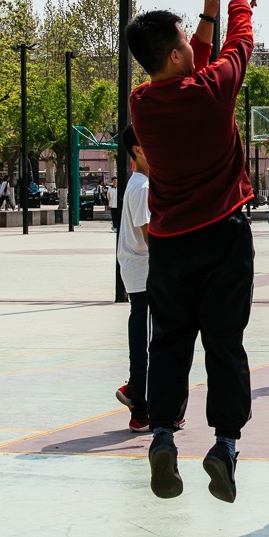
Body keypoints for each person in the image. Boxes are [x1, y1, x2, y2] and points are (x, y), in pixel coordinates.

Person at [127, 0, 256, 504]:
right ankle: (224, 446)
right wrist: (240, 2)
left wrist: (204, 19)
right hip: (223, 234)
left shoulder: (141, 102)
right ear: (177, 54)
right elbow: (240, 45)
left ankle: (162, 434)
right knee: (224, 343)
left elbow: (195, 62)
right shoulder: (211, 91)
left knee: (170, 341)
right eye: (185, 41)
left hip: (170, 244)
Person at [114, 124, 158, 431]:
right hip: (144, 272)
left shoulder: (141, 183)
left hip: (139, 270)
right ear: (138, 150)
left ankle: (135, 390)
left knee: (146, 336)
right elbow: (147, 235)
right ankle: (141, 409)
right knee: (147, 342)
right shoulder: (141, 187)